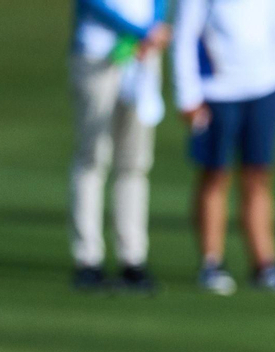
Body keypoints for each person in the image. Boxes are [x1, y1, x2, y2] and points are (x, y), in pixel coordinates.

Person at [172, 0, 275, 296]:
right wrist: (187, 94)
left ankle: (264, 264)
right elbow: (185, 33)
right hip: (216, 89)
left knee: (258, 177)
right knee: (215, 175)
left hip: (265, 87)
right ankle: (211, 263)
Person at [69, 0, 170, 292]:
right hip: (96, 56)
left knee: (134, 163)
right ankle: (88, 259)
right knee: (92, 157)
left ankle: (133, 258)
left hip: (141, 57)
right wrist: (138, 32)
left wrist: (152, 29)